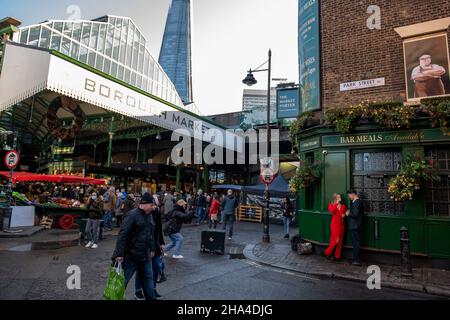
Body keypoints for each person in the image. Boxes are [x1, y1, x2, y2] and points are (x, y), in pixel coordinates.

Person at [112, 193, 157, 300]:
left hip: (145, 254)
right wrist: (119, 254)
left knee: (148, 278)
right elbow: (123, 235)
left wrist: (152, 247)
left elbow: (150, 233)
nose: (153, 207)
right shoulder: (132, 215)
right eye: (152, 205)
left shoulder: (149, 215)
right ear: (145, 204)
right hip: (131, 255)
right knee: (123, 280)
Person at [134, 198, 166, 300]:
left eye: (155, 205)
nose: (154, 207)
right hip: (145, 246)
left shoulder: (156, 214)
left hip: (155, 244)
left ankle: (152, 289)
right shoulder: (143, 213)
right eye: (153, 205)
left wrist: (161, 243)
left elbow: (159, 229)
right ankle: (138, 291)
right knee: (142, 270)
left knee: (156, 267)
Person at [324, 194, 347, 261]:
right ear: (335, 198)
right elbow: (332, 211)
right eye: (339, 197)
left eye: (340, 197)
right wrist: (336, 204)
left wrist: (344, 215)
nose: (340, 198)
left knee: (340, 241)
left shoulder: (343, 206)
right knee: (335, 241)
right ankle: (327, 252)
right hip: (335, 225)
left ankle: (337, 256)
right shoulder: (331, 205)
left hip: (342, 225)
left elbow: (345, 213)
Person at [346, 190, 364, 266]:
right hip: (356, 225)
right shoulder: (358, 201)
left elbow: (356, 214)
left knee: (356, 243)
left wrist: (348, 213)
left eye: (349, 195)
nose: (349, 197)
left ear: (353, 194)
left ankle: (356, 260)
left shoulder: (356, 202)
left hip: (355, 226)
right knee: (356, 243)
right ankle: (355, 259)